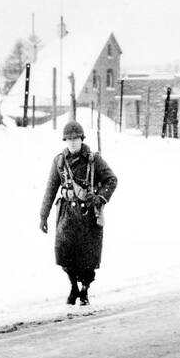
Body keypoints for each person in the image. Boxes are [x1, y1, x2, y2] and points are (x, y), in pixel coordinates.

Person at [39, 121, 118, 306]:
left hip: (88, 216)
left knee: (87, 257)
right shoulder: (59, 161)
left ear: (82, 139)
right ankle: (73, 286)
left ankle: (85, 290)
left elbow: (111, 180)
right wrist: (43, 216)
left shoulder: (93, 160)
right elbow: (50, 190)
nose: (72, 142)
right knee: (65, 253)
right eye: (69, 139)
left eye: (76, 138)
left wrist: (99, 198)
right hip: (67, 214)